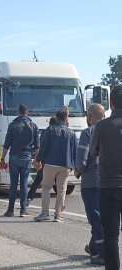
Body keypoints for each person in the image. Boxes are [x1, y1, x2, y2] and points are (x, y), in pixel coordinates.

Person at [90, 85, 122, 269]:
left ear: (111, 104)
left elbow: (94, 151)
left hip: (109, 185)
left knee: (110, 235)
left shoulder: (102, 126)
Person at [33, 110, 77, 222]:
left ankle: (45, 213)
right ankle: (58, 215)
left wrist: (38, 159)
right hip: (66, 164)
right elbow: (75, 151)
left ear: (56, 119)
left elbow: (43, 146)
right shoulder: (72, 133)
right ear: (66, 120)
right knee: (62, 189)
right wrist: (76, 166)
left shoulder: (50, 130)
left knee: (47, 187)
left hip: (51, 163)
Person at [75, 104, 105, 265]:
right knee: (103, 216)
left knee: (95, 217)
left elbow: (81, 159)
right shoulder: (110, 131)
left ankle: (101, 252)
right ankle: (93, 247)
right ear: (104, 117)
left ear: (89, 117)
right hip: (108, 180)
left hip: (91, 181)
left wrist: (78, 171)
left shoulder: (87, 133)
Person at [1, 104, 40, 217]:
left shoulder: (12, 125)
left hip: (14, 157)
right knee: (23, 183)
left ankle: (10, 210)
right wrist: (37, 159)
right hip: (27, 157)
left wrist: (3, 158)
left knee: (13, 184)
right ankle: (23, 210)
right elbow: (37, 146)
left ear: (18, 113)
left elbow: (7, 143)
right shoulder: (33, 126)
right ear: (27, 113)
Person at [26, 117, 57, 206]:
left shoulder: (46, 132)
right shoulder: (60, 131)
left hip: (45, 160)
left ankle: (29, 197)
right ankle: (62, 202)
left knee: (38, 179)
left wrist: (38, 158)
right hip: (56, 161)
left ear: (49, 123)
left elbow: (41, 146)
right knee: (59, 182)